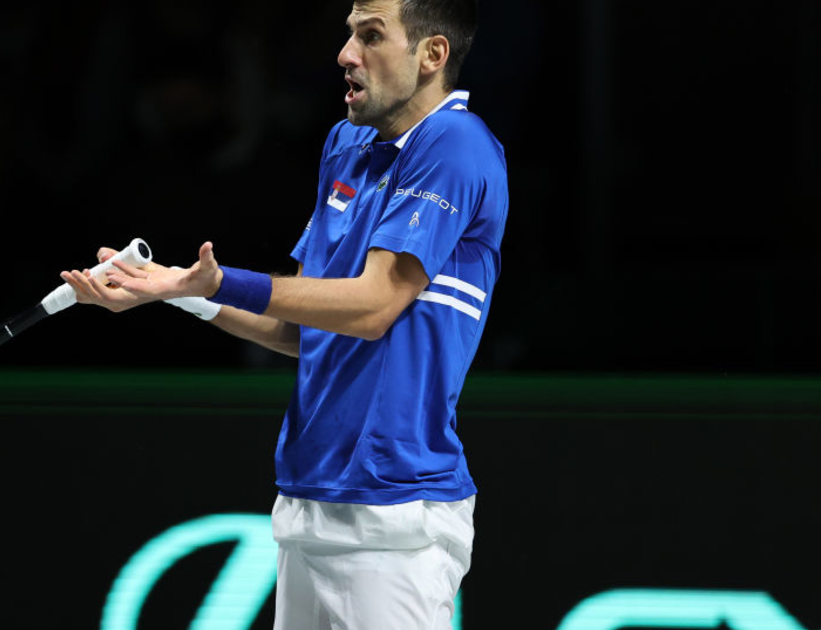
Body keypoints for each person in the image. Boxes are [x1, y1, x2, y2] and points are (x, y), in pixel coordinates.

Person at [62, 0, 507, 627]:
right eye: (349, 34)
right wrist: (175, 290)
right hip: (306, 499)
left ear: (432, 54)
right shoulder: (346, 145)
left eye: (371, 36)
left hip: (394, 512)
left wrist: (224, 282)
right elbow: (303, 329)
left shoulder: (457, 144)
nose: (345, 55)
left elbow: (375, 306)